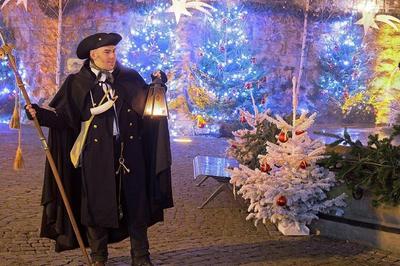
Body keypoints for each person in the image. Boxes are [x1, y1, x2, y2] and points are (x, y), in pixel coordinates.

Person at [25, 32, 173, 266]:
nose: (112, 56)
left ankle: (141, 257)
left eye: (114, 51)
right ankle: (99, 258)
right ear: (93, 55)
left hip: (130, 152)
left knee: (136, 202)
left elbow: (148, 105)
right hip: (96, 154)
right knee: (96, 204)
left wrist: (158, 85)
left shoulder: (129, 77)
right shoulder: (77, 83)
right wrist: (39, 114)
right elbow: (65, 118)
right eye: (107, 51)